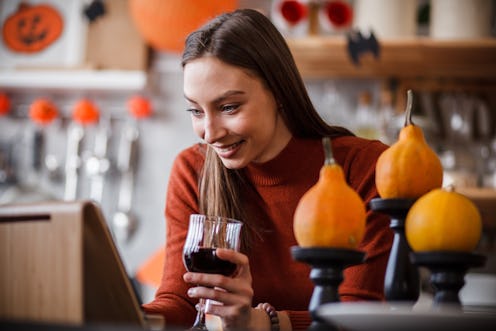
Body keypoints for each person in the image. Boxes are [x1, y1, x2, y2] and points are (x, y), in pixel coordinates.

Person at [142, 8, 392, 331]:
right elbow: (180, 301)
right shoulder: (193, 170)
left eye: (229, 107)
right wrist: (123, 313)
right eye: (196, 110)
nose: (210, 132)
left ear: (278, 91)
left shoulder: (365, 167)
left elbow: (361, 313)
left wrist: (263, 322)